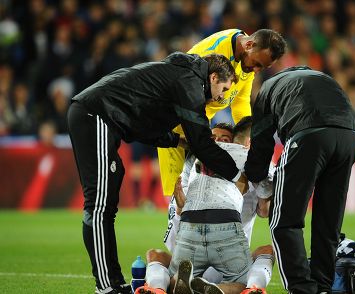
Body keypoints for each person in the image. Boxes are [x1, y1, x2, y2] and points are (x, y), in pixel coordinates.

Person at [67, 52, 245, 294]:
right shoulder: (190, 81)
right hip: (96, 114)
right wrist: (237, 174)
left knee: (106, 205)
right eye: (223, 89)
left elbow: (145, 124)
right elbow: (202, 142)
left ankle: (113, 284)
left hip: (103, 118)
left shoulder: (182, 76)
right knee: (99, 206)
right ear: (213, 77)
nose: (222, 97)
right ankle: (107, 287)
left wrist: (175, 140)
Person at [244, 66, 355, 294]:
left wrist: (261, 185)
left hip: (308, 133)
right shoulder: (322, 77)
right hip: (350, 135)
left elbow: (261, 144)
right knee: (329, 221)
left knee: (284, 220)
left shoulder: (267, 89)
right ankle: (323, 287)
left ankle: (302, 289)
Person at [137, 118, 274, 294]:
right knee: (250, 274)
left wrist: (180, 204)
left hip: (190, 239)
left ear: (233, 142)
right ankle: (248, 289)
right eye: (213, 138)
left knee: (158, 259)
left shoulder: (194, 158)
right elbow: (264, 210)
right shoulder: (249, 158)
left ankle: (158, 287)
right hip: (229, 244)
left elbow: (181, 210)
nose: (217, 142)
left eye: (224, 139)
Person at [157, 28, 287, 197]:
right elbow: (186, 97)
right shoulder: (213, 56)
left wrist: (247, 135)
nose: (256, 70)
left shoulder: (245, 57)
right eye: (256, 63)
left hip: (198, 124)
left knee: (197, 194)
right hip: (176, 122)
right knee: (180, 194)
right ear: (249, 45)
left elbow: (240, 101)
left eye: (261, 67)